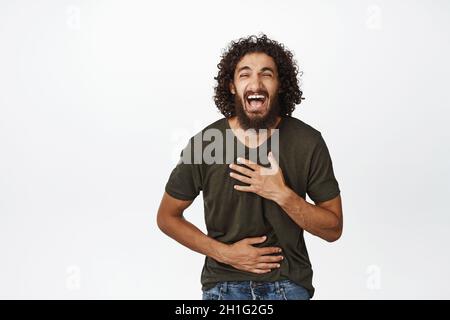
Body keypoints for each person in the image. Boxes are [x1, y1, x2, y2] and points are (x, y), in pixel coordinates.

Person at [157, 34, 343, 300]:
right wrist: (225, 253)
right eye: (245, 75)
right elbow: (167, 217)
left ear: (280, 84)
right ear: (232, 86)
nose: (256, 83)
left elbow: (333, 229)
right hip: (223, 285)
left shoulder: (307, 142)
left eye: (266, 74)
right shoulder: (206, 143)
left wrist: (282, 194)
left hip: (288, 284)